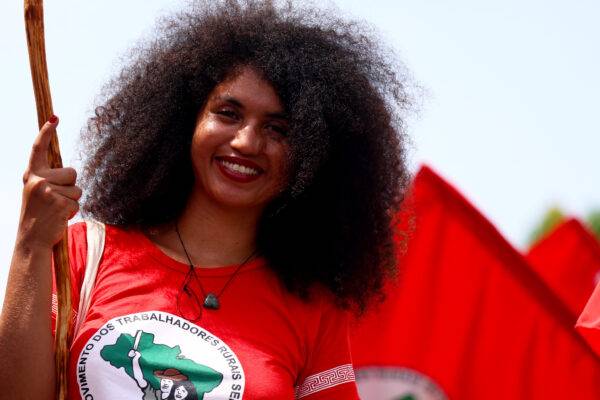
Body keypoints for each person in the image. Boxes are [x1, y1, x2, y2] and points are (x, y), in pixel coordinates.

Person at [0, 0, 412, 398]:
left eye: (277, 129)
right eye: (228, 113)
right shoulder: (83, 253)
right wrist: (31, 243)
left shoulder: (314, 311)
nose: (246, 142)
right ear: (187, 119)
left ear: (313, 155)